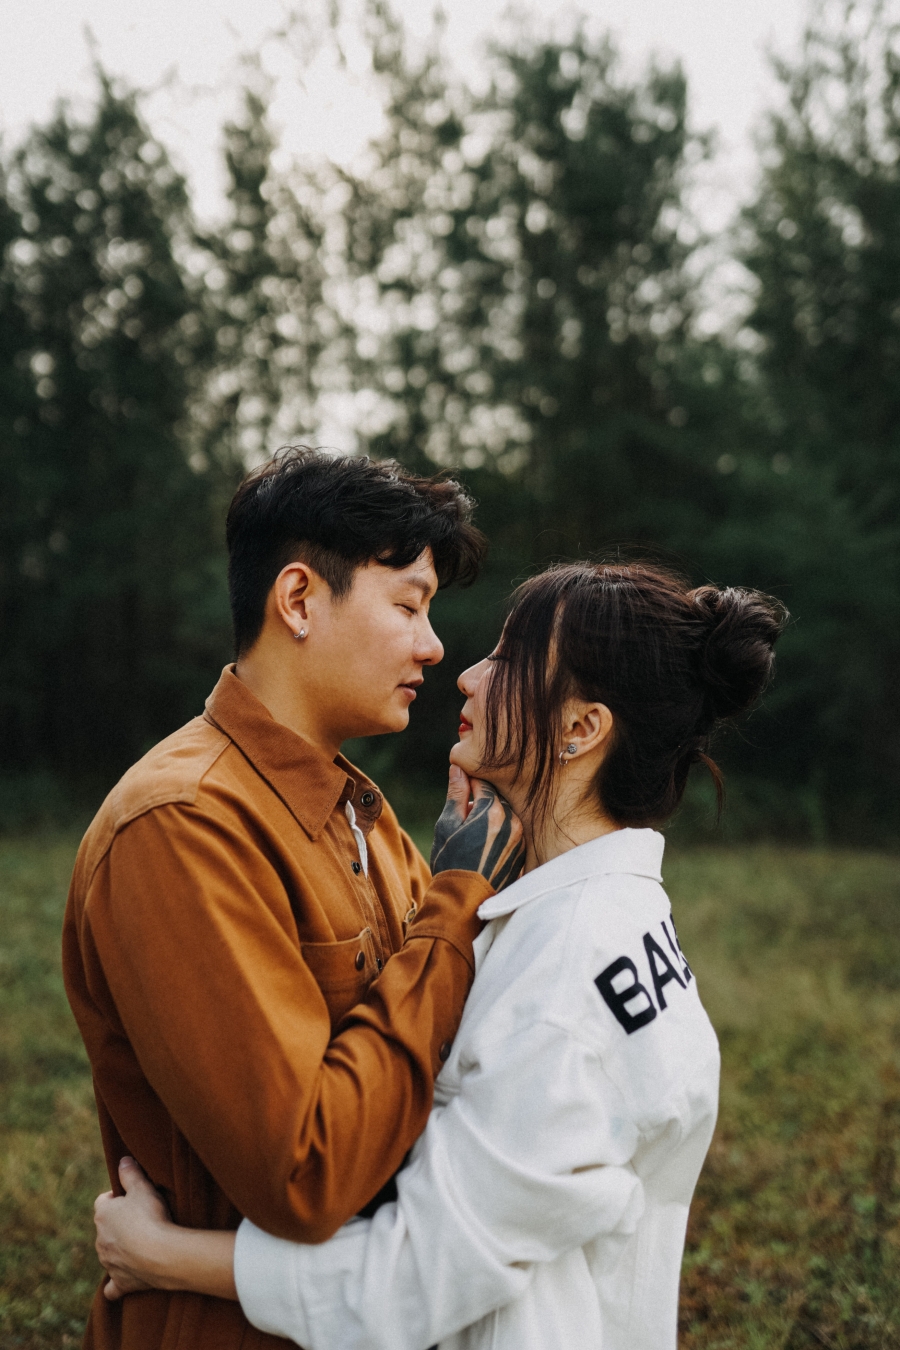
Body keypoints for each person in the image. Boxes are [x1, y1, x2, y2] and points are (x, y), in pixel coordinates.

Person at [92, 560, 787, 1350]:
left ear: (581, 728)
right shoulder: (604, 920)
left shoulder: (561, 983)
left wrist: (168, 1258)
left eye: (509, 660)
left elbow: (411, 1280)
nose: (467, 676)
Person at [63, 448, 525, 1350]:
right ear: (300, 599)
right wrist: (456, 905)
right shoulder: (182, 826)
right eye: (408, 604)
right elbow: (305, 1173)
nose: (434, 645)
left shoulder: (369, 815)